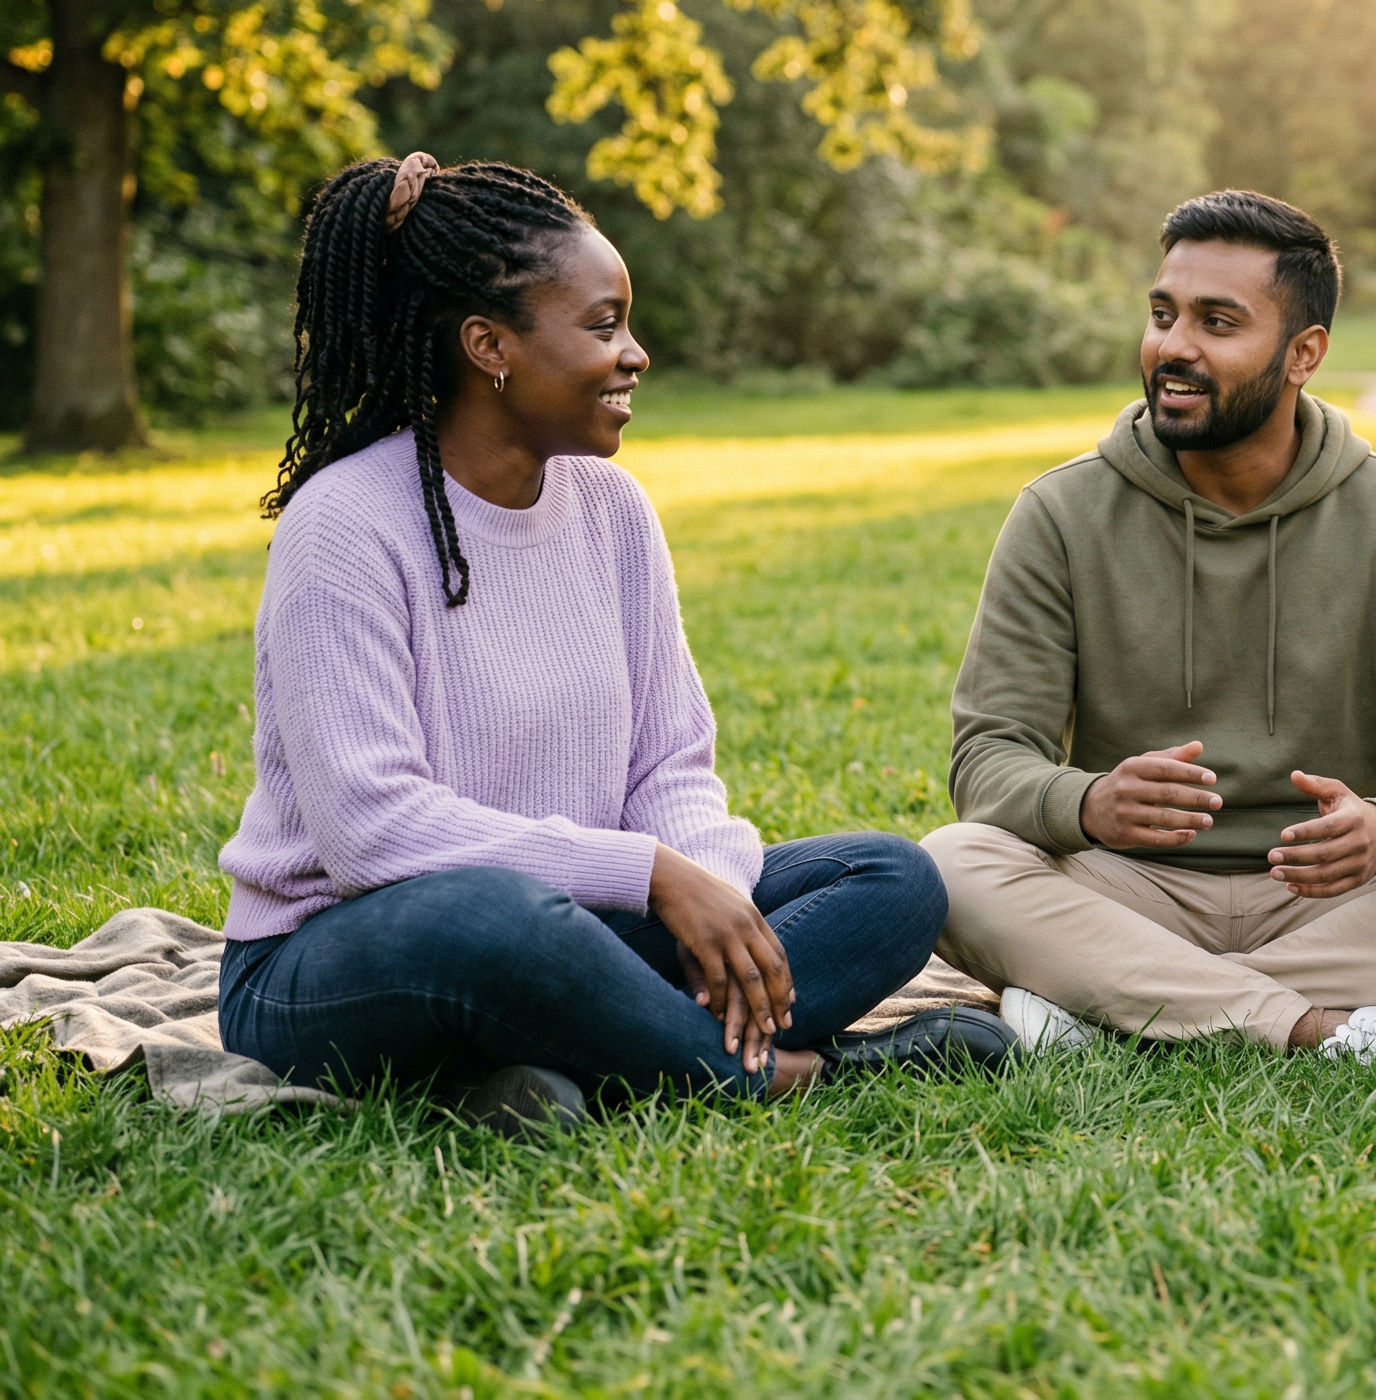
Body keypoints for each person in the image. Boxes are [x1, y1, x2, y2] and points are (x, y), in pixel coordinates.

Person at [216, 152, 1008, 1134]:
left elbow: (671, 766)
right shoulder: (346, 523)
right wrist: (652, 876)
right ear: (488, 345)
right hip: (346, 960)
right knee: (494, 920)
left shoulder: (614, 511)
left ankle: (565, 1063)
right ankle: (796, 1074)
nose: (635, 353)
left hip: (579, 933)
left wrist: (708, 891)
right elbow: (374, 832)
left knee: (892, 879)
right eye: (602, 324)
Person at [926, 190, 1376, 1064]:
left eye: (1218, 323)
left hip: (1333, 896)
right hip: (1124, 888)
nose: (1173, 347)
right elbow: (988, 759)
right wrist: (1089, 802)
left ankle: (1120, 1001)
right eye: (1162, 314)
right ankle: (1316, 1031)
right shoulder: (1060, 511)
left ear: (1304, 354)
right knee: (952, 866)